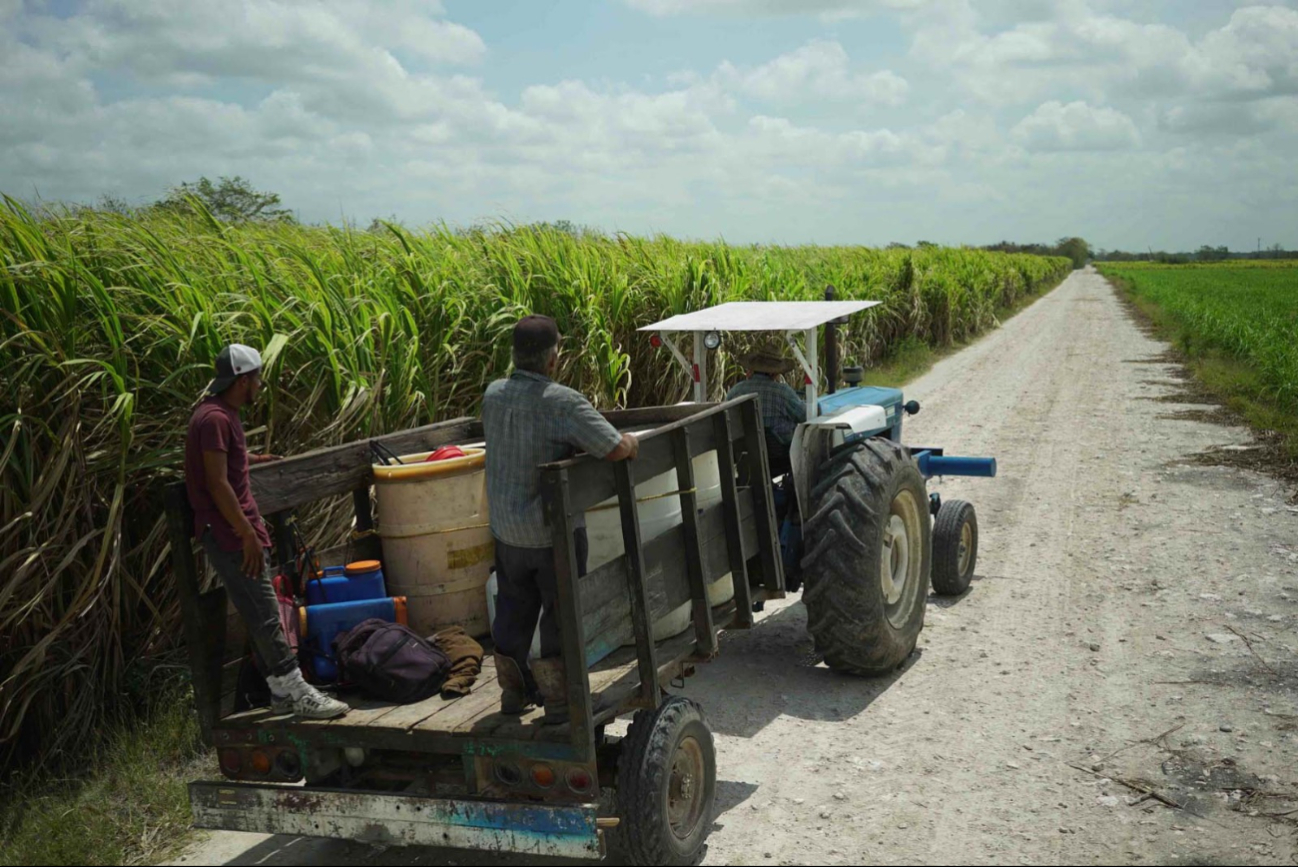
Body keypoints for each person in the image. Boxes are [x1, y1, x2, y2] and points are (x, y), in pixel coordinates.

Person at [482, 315, 639, 723]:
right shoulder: (563, 402)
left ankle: (512, 694)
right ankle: (560, 702)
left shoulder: (493, 394)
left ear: (515, 355)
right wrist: (633, 442)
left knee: (513, 609)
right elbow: (615, 448)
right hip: (552, 534)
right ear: (554, 359)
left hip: (508, 533)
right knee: (561, 613)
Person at [184, 344, 349, 720]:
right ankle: (298, 691)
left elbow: (225, 463)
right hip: (230, 534)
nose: (261, 384)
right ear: (243, 380)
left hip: (234, 530)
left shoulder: (221, 415)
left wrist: (255, 460)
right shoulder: (214, 420)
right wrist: (246, 534)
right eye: (257, 377)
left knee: (263, 609)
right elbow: (217, 482)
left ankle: (279, 690)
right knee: (264, 612)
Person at [725, 343, 806, 477]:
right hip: (779, 456)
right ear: (774, 373)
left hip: (745, 455)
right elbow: (804, 415)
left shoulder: (735, 391)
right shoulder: (783, 392)